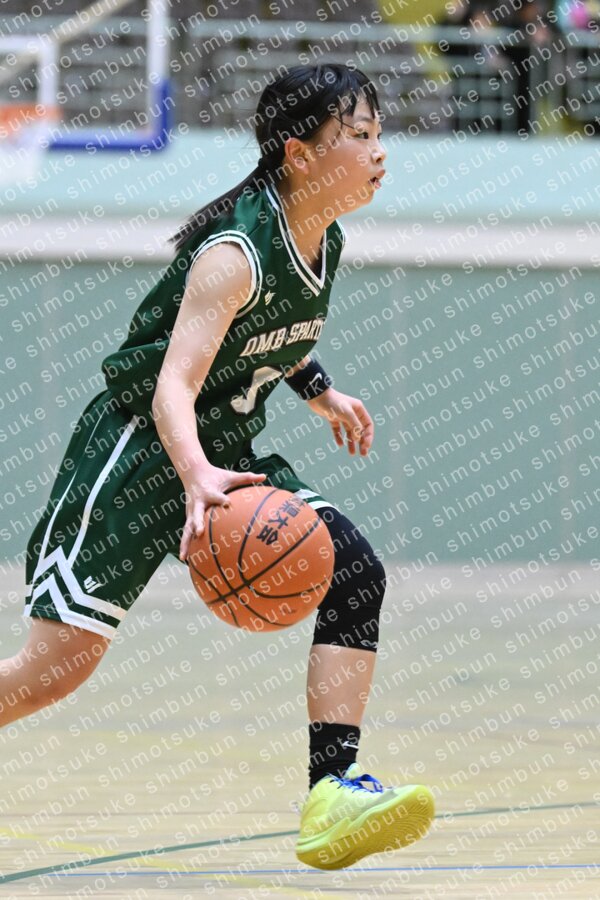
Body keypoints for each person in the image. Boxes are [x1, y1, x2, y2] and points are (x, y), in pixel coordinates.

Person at [3, 63, 434, 870]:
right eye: (359, 136)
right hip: (137, 456)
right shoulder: (234, 253)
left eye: (380, 135)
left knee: (355, 571)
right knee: (51, 674)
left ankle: (331, 792)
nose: (380, 151)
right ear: (300, 154)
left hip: (223, 453)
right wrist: (194, 474)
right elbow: (173, 384)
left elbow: (274, 329)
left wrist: (319, 390)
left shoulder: (322, 238)